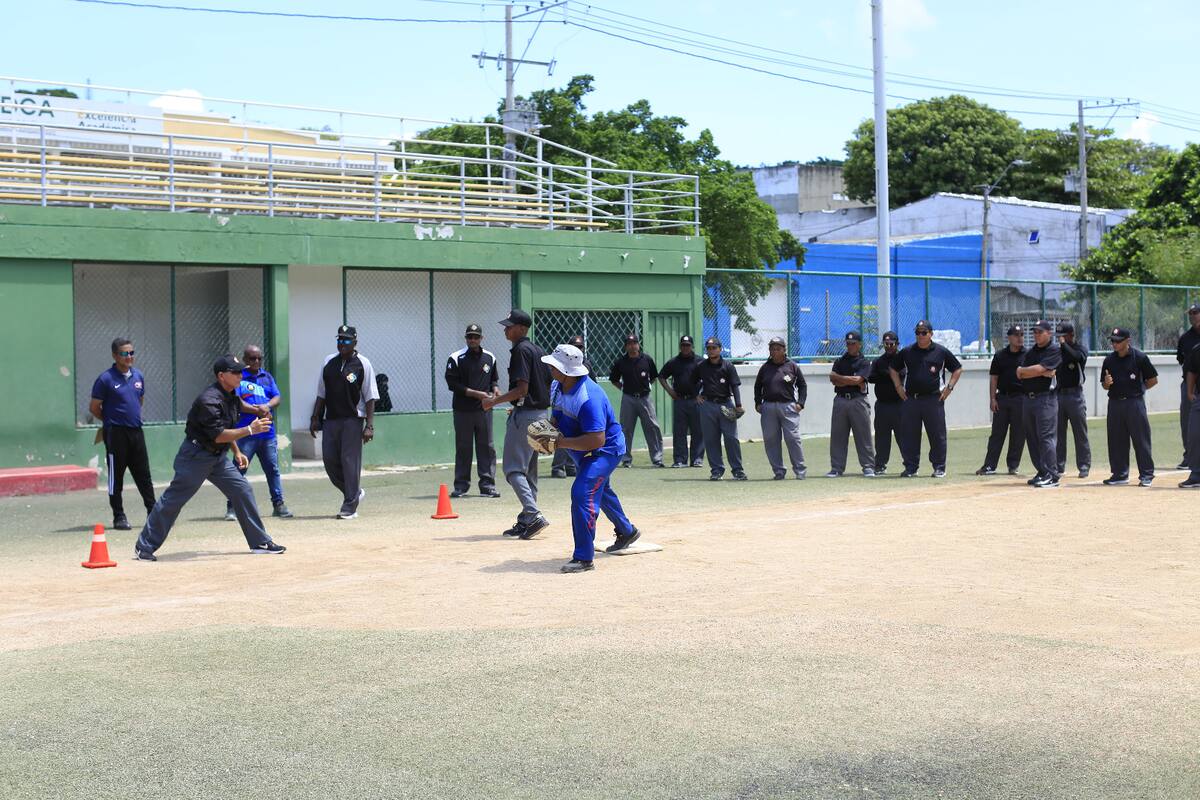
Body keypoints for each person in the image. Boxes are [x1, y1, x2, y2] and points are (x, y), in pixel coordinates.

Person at [133, 355, 285, 561]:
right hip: (196, 456)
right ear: (222, 376)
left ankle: (259, 541)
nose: (241, 375)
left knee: (242, 489)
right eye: (236, 372)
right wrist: (250, 429)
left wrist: (238, 450)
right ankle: (144, 546)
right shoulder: (209, 400)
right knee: (174, 500)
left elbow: (233, 417)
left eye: (242, 371)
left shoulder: (231, 394)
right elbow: (219, 434)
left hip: (217, 457)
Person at [541, 344, 640, 573]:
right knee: (600, 490)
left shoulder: (589, 397)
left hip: (605, 450)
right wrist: (546, 435)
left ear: (567, 371)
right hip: (581, 448)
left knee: (583, 492)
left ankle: (584, 558)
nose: (550, 368)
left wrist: (559, 443)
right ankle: (627, 531)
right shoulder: (557, 385)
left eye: (554, 365)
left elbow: (596, 439)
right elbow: (556, 417)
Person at [482, 309, 552, 539]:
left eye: (509, 326)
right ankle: (526, 520)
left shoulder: (521, 350)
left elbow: (522, 389)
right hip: (541, 413)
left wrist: (494, 401)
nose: (505, 329)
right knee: (529, 471)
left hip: (527, 416)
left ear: (521, 329)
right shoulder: (538, 350)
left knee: (512, 469)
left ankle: (533, 514)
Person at [310, 325, 378, 520]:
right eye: (339, 340)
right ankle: (355, 492)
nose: (342, 343)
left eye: (346, 340)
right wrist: (315, 417)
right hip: (331, 420)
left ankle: (350, 506)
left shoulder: (363, 364)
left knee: (350, 463)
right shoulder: (328, 362)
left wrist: (369, 425)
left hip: (352, 420)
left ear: (355, 342)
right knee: (330, 462)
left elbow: (370, 396)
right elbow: (321, 393)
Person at [89, 337, 155, 531]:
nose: (129, 357)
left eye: (132, 353)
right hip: (115, 434)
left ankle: (153, 512)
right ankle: (119, 516)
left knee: (144, 475)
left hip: (136, 432)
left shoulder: (138, 376)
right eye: (125, 354)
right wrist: (110, 420)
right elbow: (94, 407)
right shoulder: (105, 379)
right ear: (115, 356)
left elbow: (139, 400)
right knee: (115, 477)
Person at [224, 344, 293, 520]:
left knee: (272, 469)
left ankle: (278, 505)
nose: (256, 361)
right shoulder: (240, 377)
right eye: (252, 358)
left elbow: (277, 397)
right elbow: (237, 402)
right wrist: (259, 410)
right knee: (239, 469)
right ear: (245, 359)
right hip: (246, 433)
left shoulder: (266, 376)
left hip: (267, 434)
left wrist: (267, 406)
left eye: (259, 358)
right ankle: (232, 507)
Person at [889, 320, 963, 478]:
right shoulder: (908, 351)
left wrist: (949, 388)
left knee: (937, 435)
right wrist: (898, 387)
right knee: (909, 434)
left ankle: (939, 467)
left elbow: (957, 369)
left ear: (931, 334)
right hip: (912, 400)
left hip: (933, 399)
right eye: (918, 332)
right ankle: (911, 467)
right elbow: (893, 369)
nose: (920, 336)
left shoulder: (940, 352)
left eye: (924, 332)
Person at [444, 323, 500, 499]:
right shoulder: (456, 358)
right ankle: (461, 486)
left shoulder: (490, 357)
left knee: (487, 447)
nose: (473, 340)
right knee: (464, 448)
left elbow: (494, 379)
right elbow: (453, 385)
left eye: (476, 337)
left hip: (484, 410)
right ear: (466, 338)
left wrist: (496, 389)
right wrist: (476, 394)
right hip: (462, 411)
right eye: (470, 337)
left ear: (481, 338)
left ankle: (487, 485)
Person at [1101, 327, 1158, 487]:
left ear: (1127, 341)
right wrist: (1106, 383)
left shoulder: (1139, 357)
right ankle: (1119, 474)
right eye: (1112, 340)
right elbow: (1105, 386)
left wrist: (1139, 390)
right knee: (1116, 440)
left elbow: (1153, 379)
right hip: (1114, 403)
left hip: (1134, 403)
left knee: (1141, 439)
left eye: (1118, 341)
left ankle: (1146, 475)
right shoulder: (1109, 360)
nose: (1114, 344)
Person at [692, 337, 746, 481]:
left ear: (720, 349)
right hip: (707, 405)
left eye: (714, 348)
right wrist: (696, 395)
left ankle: (737, 470)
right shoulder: (701, 366)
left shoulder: (727, 366)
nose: (711, 351)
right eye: (709, 348)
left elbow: (735, 386)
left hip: (725, 404)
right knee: (711, 439)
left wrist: (738, 405)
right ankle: (716, 470)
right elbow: (691, 381)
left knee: (731, 438)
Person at [1016, 321, 1063, 488]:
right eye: (1035, 332)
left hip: (1046, 399)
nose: (1036, 334)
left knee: (1046, 437)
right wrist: (1037, 371)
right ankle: (1042, 471)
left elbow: (1039, 370)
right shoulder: (1031, 352)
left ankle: (1052, 474)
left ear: (1049, 333)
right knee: (1032, 437)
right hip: (1028, 399)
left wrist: (1034, 371)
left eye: (1040, 332)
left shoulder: (1054, 350)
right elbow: (1020, 373)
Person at [753, 336, 807, 480]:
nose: (775, 351)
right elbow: (758, 386)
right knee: (771, 440)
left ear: (784, 350)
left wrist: (800, 403)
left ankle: (800, 471)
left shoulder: (792, 366)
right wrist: (758, 402)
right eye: (772, 349)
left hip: (788, 407)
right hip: (768, 407)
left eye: (778, 349)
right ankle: (778, 471)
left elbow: (802, 385)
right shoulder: (765, 368)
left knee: (793, 439)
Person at [609, 333, 664, 468]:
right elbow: (614, 379)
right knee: (625, 429)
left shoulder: (647, 360)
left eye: (634, 343)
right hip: (628, 398)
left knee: (652, 427)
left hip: (645, 398)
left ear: (638, 345)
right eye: (629, 344)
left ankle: (657, 459)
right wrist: (623, 388)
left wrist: (647, 386)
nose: (632, 346)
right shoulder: (621, 362)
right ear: (626, 346)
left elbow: (654, 376)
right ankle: (626, 459)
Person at [976, 326, 1025, 476]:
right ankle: (990, 465)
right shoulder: (1000, 356)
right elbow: (994, 378)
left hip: (1021, 398)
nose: (1020, 338)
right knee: (997, 434)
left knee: (1018, 434)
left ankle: (1013, 465)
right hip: (1003, 398)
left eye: (1022, 334)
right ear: (1009, 337)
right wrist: (992, 398)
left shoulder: (1028, 355)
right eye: (1016, 335)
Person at [826, 331, 875, 477]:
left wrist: (841, 379)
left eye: (853, 343)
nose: (850, 346)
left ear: (859, 344)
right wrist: (850, 380)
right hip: (841, 400)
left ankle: (868, 467)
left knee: (863, 435)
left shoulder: (864, 362)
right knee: (838, 436)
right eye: (848, 343)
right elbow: (833, 380)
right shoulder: (840, 361)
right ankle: (837, 468)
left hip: (858, 400)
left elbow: (858, 380)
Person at [658, 335, 705, 468]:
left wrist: (702, 394)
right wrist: (670, 391)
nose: (685, 348)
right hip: (680, 401)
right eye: (683, 345)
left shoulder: (700, 362)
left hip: (696, 401)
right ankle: (680, 459)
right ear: (680, 346)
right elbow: (661, 376)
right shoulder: (674, 362)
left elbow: (708, 378)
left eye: (688, 345)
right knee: (679, 432)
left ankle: (697, 459)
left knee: (698, 430)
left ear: (692, 346)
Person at [551, 335, 593, 478]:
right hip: (563, 403)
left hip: (579, 404)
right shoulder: (562, 366)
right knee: (563, 433)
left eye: (580, 346)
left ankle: (570, 466)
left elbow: (592, 383)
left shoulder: (586, 363)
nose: (578, 348)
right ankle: (557, 467)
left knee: (575, 437)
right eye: (575, 346)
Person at [1055, 322, 1091, 479]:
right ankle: (1058, 465)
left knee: (1080, 432)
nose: (1059, 339)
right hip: (1059, 395)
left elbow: (1076, 357)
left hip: (1075, 396)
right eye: (1058, 337)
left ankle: (1084, 465)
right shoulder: (1058, 352)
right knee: (1058, 433)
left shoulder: (1079, 349)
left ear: (1071, 335)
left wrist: (1064, 345)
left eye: (1062, 336)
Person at [868, 331, 904, 475]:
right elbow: (871, 377)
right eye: (886, 344)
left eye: (891, 344)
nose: (888, 347)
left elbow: (902, 375)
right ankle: (880, 464)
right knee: (882, 436)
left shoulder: (902, 359)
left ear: (897, 344)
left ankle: (910, 463)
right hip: (882, 405)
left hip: (899, 404)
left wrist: (885, 375)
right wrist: (888, 374)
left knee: (903, 435)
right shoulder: (878, 361)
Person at [1174, 305, 1200, 469]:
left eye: (1195, 313)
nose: (1192, 316)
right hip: (1190, 385)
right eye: (1190, 314)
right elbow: (1181, 360)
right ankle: (1189, 456)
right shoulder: (1185, 338)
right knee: (1187, 422)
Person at [1179, 343, 1200, 488]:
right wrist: (1189, 392)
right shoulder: (1197, 349)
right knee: (1194, 435)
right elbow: (1191, 371)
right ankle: (1196, 474)